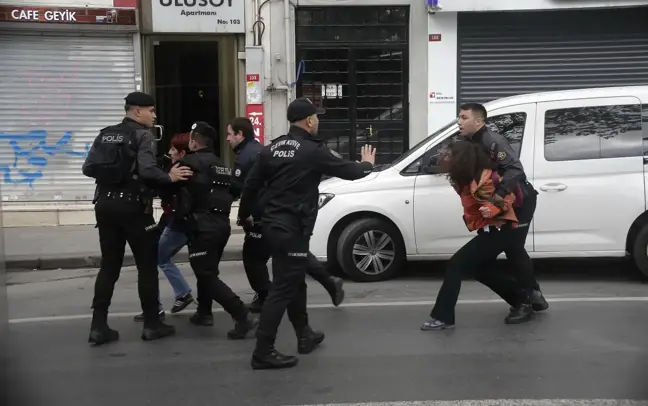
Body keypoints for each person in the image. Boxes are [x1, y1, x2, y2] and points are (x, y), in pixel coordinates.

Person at [238, 97, 377, 370]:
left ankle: (305, 335)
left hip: (272, 226)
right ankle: (262, 351)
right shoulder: (312, 150)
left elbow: (250, 186)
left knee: (294, 280)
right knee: (282, 289)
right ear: (309, 121)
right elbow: (348, 171)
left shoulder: (272, 148)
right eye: (317, 117)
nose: (319, 121)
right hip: (292, 228)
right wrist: (367, 164)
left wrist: (244, 217)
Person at [82, 91, 192, 345]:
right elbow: (147, 170)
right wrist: (170, 177)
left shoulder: (106, 133)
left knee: (110, 266)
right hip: (133, 208)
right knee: (146, 264)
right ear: (136, 111)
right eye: (151, 111)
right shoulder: (143, 135)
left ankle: (98, 327)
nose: (155, 115)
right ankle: (153, 324)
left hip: (105, 205)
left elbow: (88, 168)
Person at [227, 117, 345, 313]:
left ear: (240, 134)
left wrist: (243, 213)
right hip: (278, 213)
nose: (228, 139)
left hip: (265, 215)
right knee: (292, 252)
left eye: (230, 134)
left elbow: (247, 187)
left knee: (254, 257)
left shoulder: (248, 156)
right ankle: (328, 283)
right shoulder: (260, 150)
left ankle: (268, 298)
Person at [421, 141, 535, 331]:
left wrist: (493, 208)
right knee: (480, 269)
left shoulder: (484, 178)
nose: (444, 158)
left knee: (456, 264)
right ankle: (523, 300)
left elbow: (507, 197)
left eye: (448, 155)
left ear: (460, 159)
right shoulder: (464, 177)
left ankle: (442, 317)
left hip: (501, 228)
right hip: (491, 228)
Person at [458, 102, 548, 312]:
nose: (459, 121)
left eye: (464, 117)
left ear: (479, 121)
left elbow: (515, 170)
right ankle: (533, 295)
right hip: (503, 204)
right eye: (459, 117)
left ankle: (525, 301)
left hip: (520, 202)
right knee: (513, 248)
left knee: (514, 249)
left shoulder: (492, 141)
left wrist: (495, 201)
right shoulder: (469, 141)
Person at [172, 121, 257, 338]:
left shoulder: (189, 163)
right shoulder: (221, 165)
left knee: (205, 273)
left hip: (203, 227)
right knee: (208, 271)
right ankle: (204, 312)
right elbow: (236, 189)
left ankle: (241, 314)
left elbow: (171, 186)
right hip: (220, 226)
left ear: (193, 141)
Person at [133, 132, 195, 322]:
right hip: (169, 220)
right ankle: (155, 306)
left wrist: (164, 178)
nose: (169, 152)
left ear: (182, 153)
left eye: (173, 150)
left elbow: (170, 192)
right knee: (154, 258)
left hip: (177, 222)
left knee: (158, 257)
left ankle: (180, 294)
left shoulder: (183, 170)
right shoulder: (173, 167)